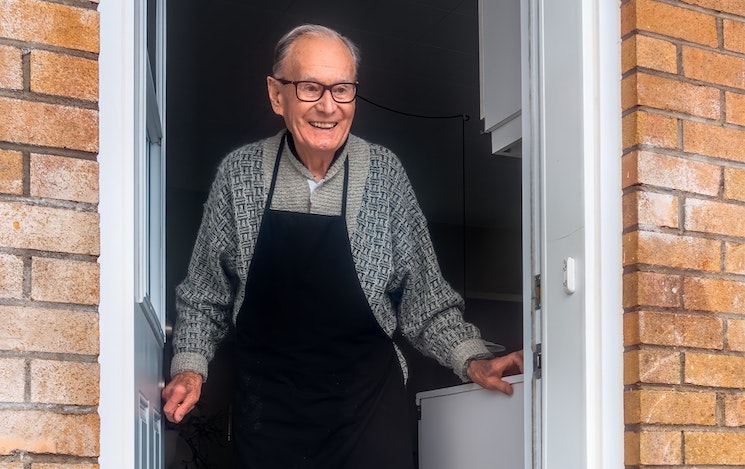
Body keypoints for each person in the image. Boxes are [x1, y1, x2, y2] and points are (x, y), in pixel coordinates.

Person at [162, 23, 523, 469]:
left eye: (342, 89)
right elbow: (204, 295)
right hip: (269, 420)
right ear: (277, 95)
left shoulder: (384, 174)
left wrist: (473, 361)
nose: (328, 107)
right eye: (311, 88)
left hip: (367, 416)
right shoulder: (240, 176)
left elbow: (424, 301)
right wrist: (190, 368)